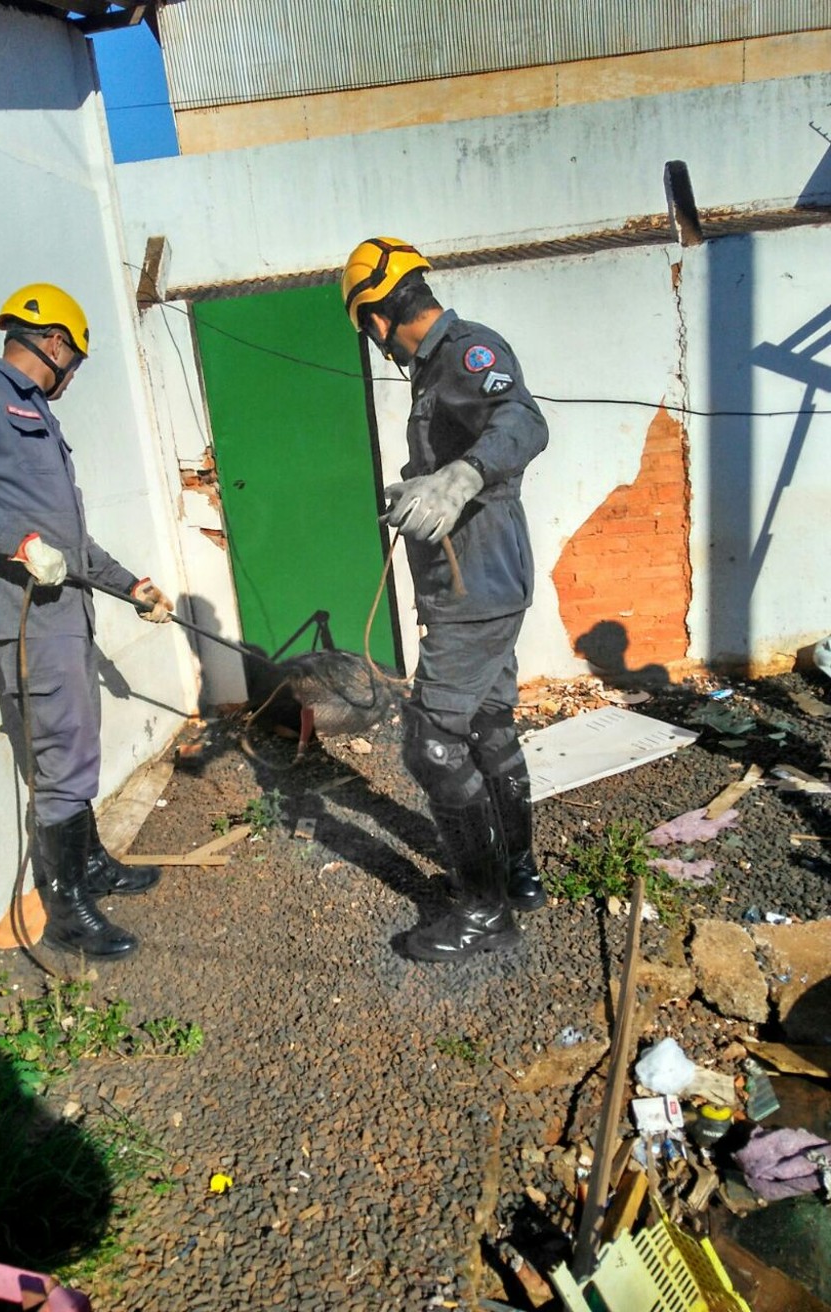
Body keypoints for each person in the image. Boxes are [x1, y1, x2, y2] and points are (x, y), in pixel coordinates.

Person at [0, 283, 174, 960]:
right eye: (75, 361)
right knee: (60, 757)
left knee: (74, 746)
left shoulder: (38, 419)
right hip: (17, 616)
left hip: (63, 610)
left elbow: (68, 543)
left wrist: (129, 585)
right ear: (54, 343)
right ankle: (67, 912)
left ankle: (91, 865)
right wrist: (13, 543)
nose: (73, 377)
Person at [341, 238, 549, 962]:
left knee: (431, 744)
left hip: (476, 586)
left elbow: (523, 423)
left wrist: (460, 478)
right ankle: (517, 873)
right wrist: (422, 483)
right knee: (489, 723)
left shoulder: (468, 350)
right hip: (478, 580)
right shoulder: (436, 369)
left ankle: (484, 910)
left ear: (373, 319)